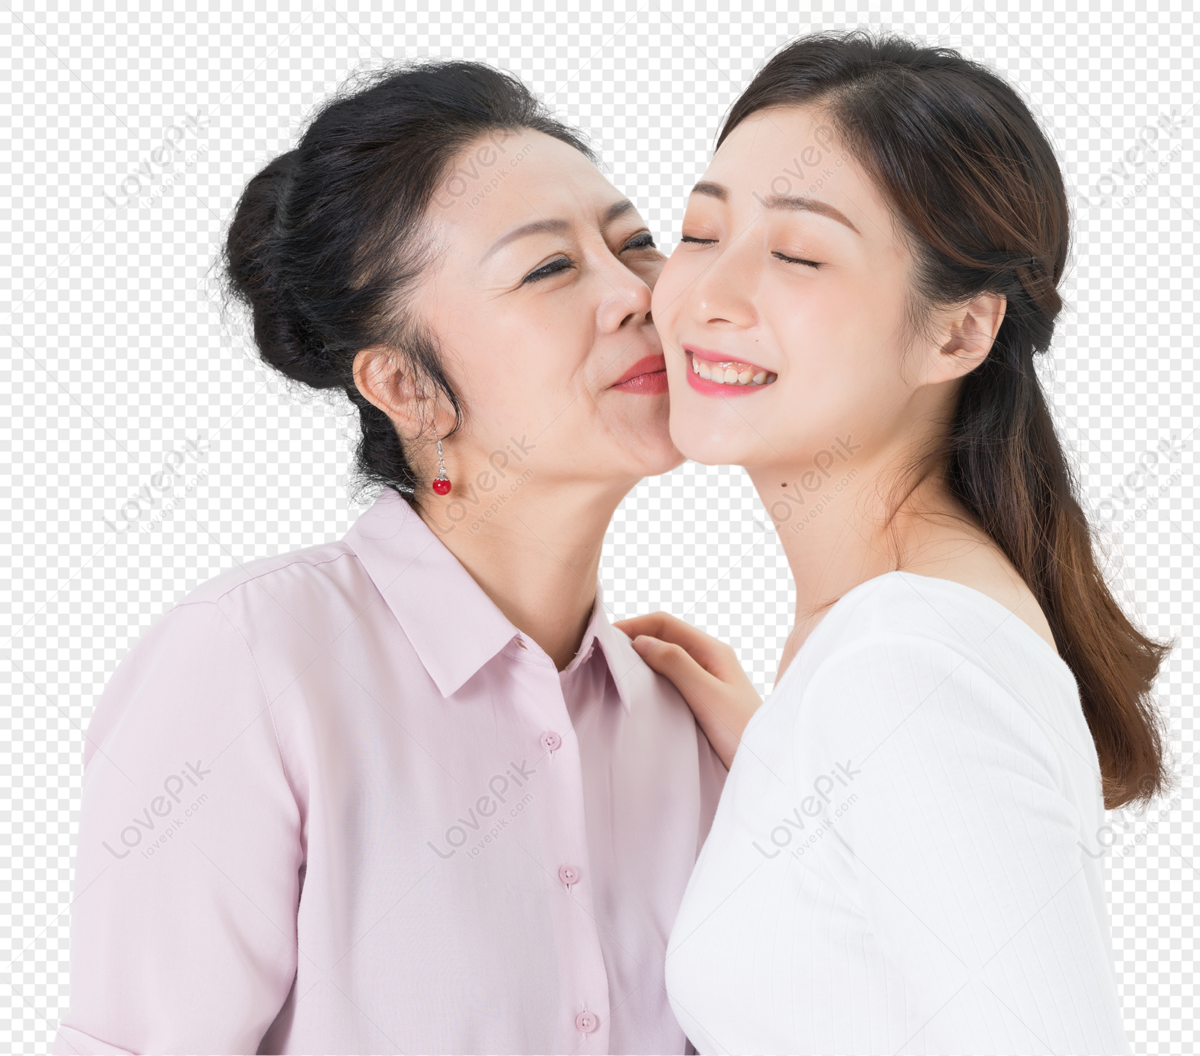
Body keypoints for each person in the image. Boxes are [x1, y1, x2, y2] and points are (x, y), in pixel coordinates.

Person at [54, 60, 725, 1055]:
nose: (639, 295)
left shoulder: (690, 724)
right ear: (406, 386)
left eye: (637, 244)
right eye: (549, 268)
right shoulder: (249, 665)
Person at [617, 30, 1169, 1055]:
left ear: (958, 333)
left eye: (797, 254)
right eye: (698, 233)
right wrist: (786, 768)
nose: (708, 296)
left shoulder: (907, 667)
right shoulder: (879, 654)